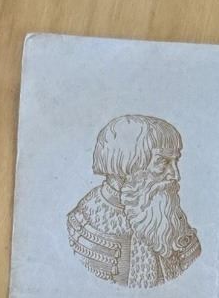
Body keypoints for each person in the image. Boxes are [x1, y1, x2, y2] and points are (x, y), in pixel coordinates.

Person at [66, 114, 201, 288]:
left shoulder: (167, 213)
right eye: (163, 162)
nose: (175, 175)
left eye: (176, 161)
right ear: (128, 164)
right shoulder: (86, 221)